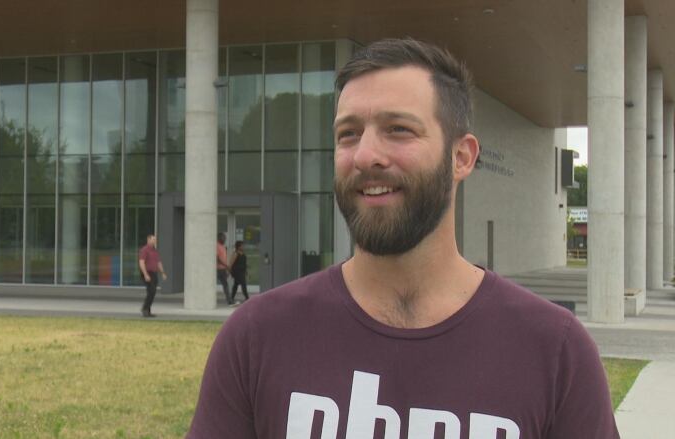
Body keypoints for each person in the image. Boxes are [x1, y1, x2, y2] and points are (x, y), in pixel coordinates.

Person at [188, 38, 619, 438]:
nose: (365, 155)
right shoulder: (256, 338)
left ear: (462, 156)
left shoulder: (555, 350)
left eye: (398, 129)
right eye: (348, 134)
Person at [138, 234, 167, 318]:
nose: (155, 241)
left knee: (152, 292)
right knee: (152, 291)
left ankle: (148, 311)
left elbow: (158, 262)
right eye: (153, 239)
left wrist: (163, 272)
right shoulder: (144, 250)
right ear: (148, 240)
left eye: (155, 240)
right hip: (147, 273)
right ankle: (145, 309)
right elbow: (141, 262)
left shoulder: (154, 250)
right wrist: (145, 274)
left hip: (154, 273)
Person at [228, 240, 249, 305]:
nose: (243, 247)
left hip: (242, 272)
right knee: (243, 284)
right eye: (242, 245)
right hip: (237, 272)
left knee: (236, 285)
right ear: (238, 247)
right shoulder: (235, 253)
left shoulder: (243, 254)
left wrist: (246, 272)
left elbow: (244, 264)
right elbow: (231, 263)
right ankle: (247, 298)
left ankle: (231, 297)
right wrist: (229, 272)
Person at [216, 232, 234, 305]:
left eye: (225, 238)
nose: (225, 239)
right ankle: (230, 301)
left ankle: (229, 301)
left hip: (223, 269)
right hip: (218, 269)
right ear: (219, 238)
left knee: (225, 285)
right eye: (223, 238)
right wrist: (226, 266)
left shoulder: (222, 246)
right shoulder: (216, 246)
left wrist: (226, 268)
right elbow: (217, 259)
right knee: (225, 285)